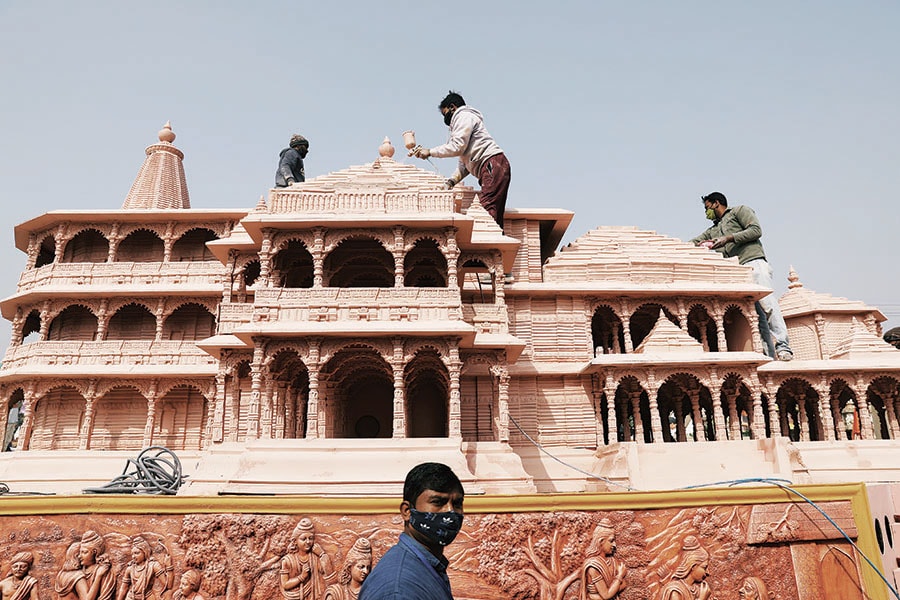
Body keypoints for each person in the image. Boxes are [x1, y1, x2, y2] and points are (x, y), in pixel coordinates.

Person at [691, 192, 794, 361]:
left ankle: (783, 346)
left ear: (716, 203)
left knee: (768, 304)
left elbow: (755, 230)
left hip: (753, 261)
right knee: (757, 316)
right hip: (738, 272)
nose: (706, 213)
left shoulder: (739, 211)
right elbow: (694, 242)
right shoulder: (713, 230)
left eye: (707, 207)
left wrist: (729, 238)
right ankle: (769, 356)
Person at [359, 462, 465, 600]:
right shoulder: (398, 589)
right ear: (407, 511)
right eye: (438, 502)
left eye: (457, 504)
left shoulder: (425, 566)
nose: (450, 512)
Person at [413, 91, 511, 230]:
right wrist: (451, 182)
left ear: (452, 107)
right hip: (493, 166)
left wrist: (430, 151)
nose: (445, 118)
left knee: (485, 212)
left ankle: (486, 246)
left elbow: (457, 147)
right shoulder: (461, 123)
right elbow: (464, 163)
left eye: (445, 113)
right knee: (493, 213)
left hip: (492, 164)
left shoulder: (464, 116)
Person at [280, 517, 336, 600]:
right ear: (295, 541)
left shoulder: (315, 558)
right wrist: (302, 577)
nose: (308, 542)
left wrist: (322, 554)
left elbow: (331, 580)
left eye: (311, 538)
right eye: (303, 539)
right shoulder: (287, 561)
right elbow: (285, 585)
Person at [580, 519, 626, 599]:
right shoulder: (593, 567)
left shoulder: (612, 561)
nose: (614, 545)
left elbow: (624, 584)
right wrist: (620, 576)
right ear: (601, 541)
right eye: (611, 541)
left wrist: (610, 590)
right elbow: (606, 595)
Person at [658, 536, 712, 600]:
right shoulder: (676, 591)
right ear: (693, 567)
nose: (707, 572)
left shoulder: (700, 589)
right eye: (704, 567)